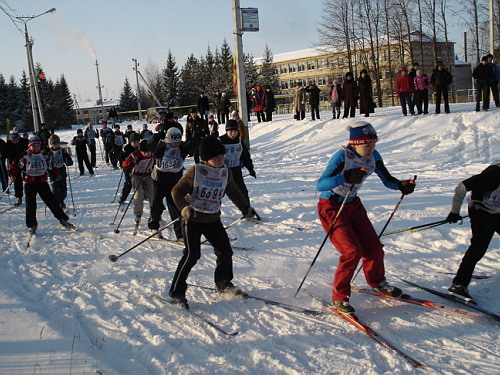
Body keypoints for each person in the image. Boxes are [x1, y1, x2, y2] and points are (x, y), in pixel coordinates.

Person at [316, 121, 416, 314]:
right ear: (355, 143)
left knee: (374, 248)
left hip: (353, 204)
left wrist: (401, 185)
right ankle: (340, 297)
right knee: (352, 251)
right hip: (332, 206)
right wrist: (346, 176)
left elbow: (387, 179)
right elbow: (321, 184)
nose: (371, 149)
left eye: (373, 144)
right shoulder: (341, 157)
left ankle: (378, 283)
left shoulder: (374, 156)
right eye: (366, 145)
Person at [168, 135, 258, 307]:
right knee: (192, 255)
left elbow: (233, 191)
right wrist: (184, 208)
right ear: (206, 158)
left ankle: (223, 284)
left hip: (212, 218)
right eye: (216, 156)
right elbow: (176, 191)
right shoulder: (196, 172)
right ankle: (177, 292)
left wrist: (246, 208)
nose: (221, 158)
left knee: (225, 251)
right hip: (193, 218)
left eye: (222, 155)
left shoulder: (225, 171)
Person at [445, 161, 500, 301]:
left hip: (497, 210)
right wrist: (454, 212)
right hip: (481, 210)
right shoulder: (494, 174)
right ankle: (459, 284)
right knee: (479, 246)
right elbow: (461, 187)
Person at [8, 136, 74, 234]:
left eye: (38, 145)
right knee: (30, 205)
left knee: (52, 202)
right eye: (33, 145)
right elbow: (14, 165)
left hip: (42, 183)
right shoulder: (25, 156)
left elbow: (51, 165)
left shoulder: (44, 155)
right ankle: (32, 225)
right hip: (30, 184)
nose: (36, 147)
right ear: (29, 146)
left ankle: (62, 219)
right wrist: (12, 174)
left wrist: (57, 174)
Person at [148, 127, 191, 240]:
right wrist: (156, 136)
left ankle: (179, 233)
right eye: (174, 141)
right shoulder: (161, 146)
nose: (176, 143)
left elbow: (195, 145)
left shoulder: (182, 147)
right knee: (156, 203)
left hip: (174, 181)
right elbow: (149, 144)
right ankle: (154, 227)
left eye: (178, 140)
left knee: (175, 206)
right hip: (158, 180)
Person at [219, 119, 256, 204]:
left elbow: (245, 156)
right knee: (218, 193)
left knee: (242, 191)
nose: (233, 134)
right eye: (231, 131)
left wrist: (251, 169)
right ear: (226, 131)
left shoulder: (239, 141)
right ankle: (210, 213)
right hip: (223, 171)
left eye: (235, 131)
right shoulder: (220, 141)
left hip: (236, 170)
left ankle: (247, 211)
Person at [122, 140, 154, 225]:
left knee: (153, 194)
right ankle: (138, 213)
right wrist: (132, 162)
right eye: (144, 152)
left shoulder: (153, 154)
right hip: (137, 175)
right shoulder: (135, 154)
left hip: (148, 175)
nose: (147, 154)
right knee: (139, 194)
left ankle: (155, 212)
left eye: (148, 152)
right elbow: (124, 165)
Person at [2, 131, 28, 206]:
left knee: (28, 178)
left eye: (16, 138)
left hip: (25, 161)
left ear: (19, 137)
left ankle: (32, 193)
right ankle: (19, 197)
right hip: (14, 163)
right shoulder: (7, 145)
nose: (15, 140)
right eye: (13, 139)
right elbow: (3, 156)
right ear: (10, 138)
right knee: (17, 180)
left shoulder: (24, 141)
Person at [48, 134, 73, 209]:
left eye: (56, 143)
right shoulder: (49, 152)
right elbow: (47, 164)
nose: (55, 145)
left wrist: (67, 156)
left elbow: (69, 163)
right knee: (55, 191)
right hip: (53, 173)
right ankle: (56, 204)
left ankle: (61, 201)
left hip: (62, 172)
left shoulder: (62, 151)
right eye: (53, 143)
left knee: (63, 192)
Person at [118, 132, 140, 205]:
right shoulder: (126, 148)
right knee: (129, 183)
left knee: (140, 182)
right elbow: (121, 158)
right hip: (127, 168)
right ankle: (122, 198)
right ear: (130, 141)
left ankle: (143, 196)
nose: (136, 144)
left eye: (137, 142)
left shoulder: (139, 147)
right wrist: (125, 164)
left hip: (137, 167)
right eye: (134, 142)